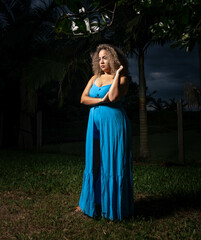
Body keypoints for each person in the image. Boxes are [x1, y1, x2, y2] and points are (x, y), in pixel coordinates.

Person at [76, 44, 134, 220]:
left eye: (105, 57)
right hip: (94, 125)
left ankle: (113, 208)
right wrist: (101, 100)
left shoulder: (123, 78)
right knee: (94, 162)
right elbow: (83, 99)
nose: (101, 61)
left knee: (112, 163)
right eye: (99, 58)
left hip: (114, 124)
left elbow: (114, 97)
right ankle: (89, 203)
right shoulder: (94, 78)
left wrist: (116, 75)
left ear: (114, 59)